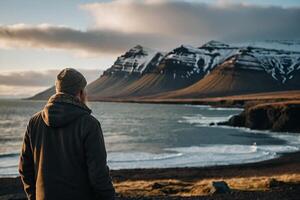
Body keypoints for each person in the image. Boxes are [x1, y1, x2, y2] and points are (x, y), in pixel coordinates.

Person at [19, 68, 115, 200]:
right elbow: (98, 175)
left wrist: (34, 196)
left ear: (58, 91)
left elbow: (25, 168)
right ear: (80, 92)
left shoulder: (34, 122)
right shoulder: (89, 124)